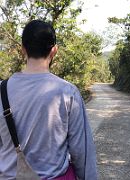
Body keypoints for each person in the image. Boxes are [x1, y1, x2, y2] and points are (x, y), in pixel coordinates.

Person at [0, 20, 97, 179]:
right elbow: (81, 151)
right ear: (54, 51)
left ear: (23, 49)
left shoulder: (2, 90)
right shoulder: (68, 92)